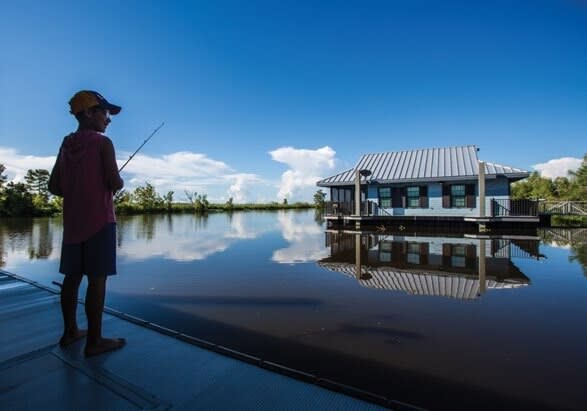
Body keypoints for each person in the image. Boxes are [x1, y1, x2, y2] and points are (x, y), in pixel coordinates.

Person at [49, 90, 126, 357]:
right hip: (100, 222)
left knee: (72, 278)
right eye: (105, 113)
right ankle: (95, 341)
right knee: (97, 280)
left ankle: (70, 331)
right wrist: (111, 186)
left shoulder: (66, 143)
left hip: (73, 225)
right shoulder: (103, 143)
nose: (109, 119)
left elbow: (53, 186)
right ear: (89, 113)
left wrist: (78, 190)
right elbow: (115, 182)